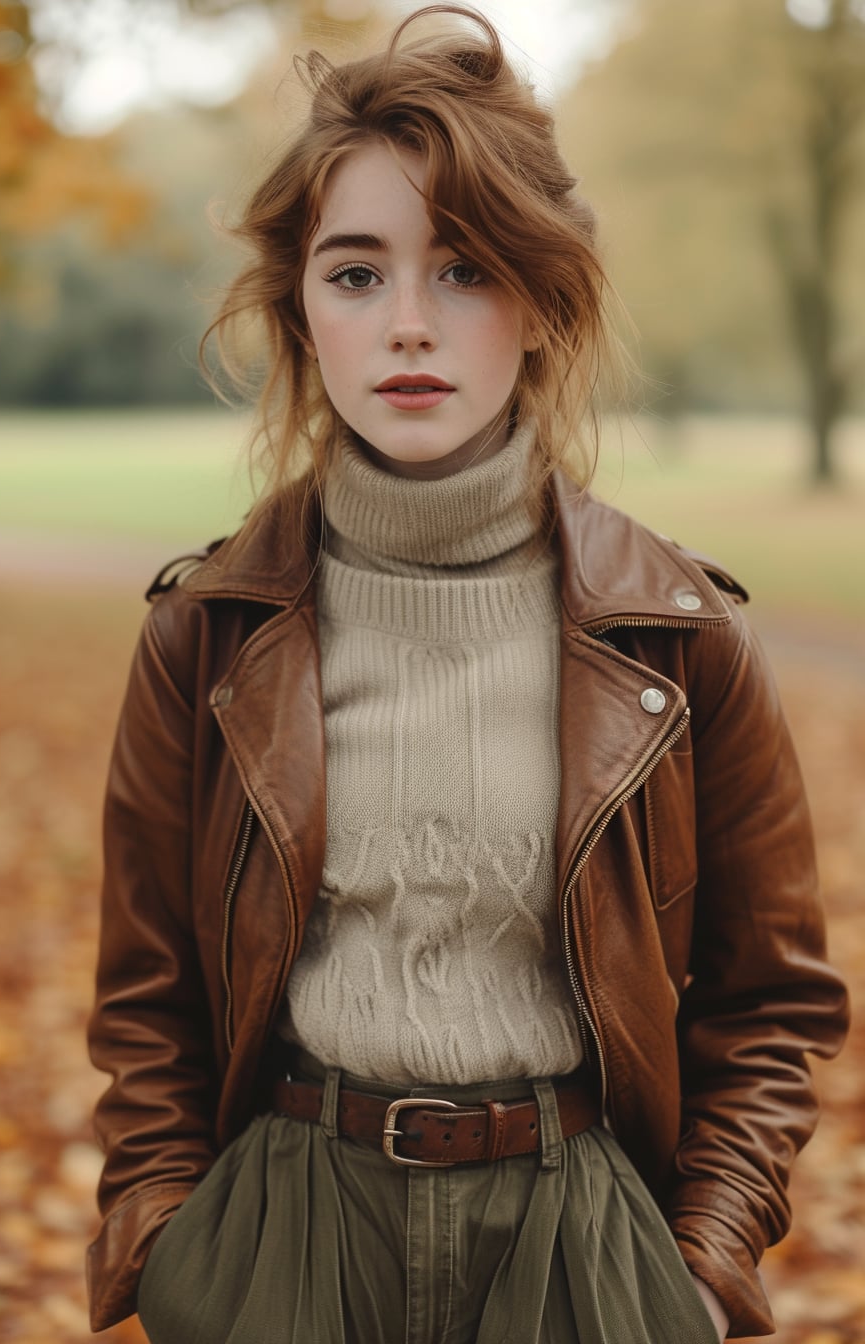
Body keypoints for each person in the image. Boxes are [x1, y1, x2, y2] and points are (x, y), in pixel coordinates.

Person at [86, 6, 848, 1341]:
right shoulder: (206, 636)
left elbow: (774, 1001)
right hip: (285, 1242)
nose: (411, 327)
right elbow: (147, 1008)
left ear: (545, 304)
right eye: (358, 273)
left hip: (584, 1250)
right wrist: (173, 1250)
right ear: (300, 309)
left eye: (468, 271)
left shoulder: (677, 638)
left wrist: (704, 1265)